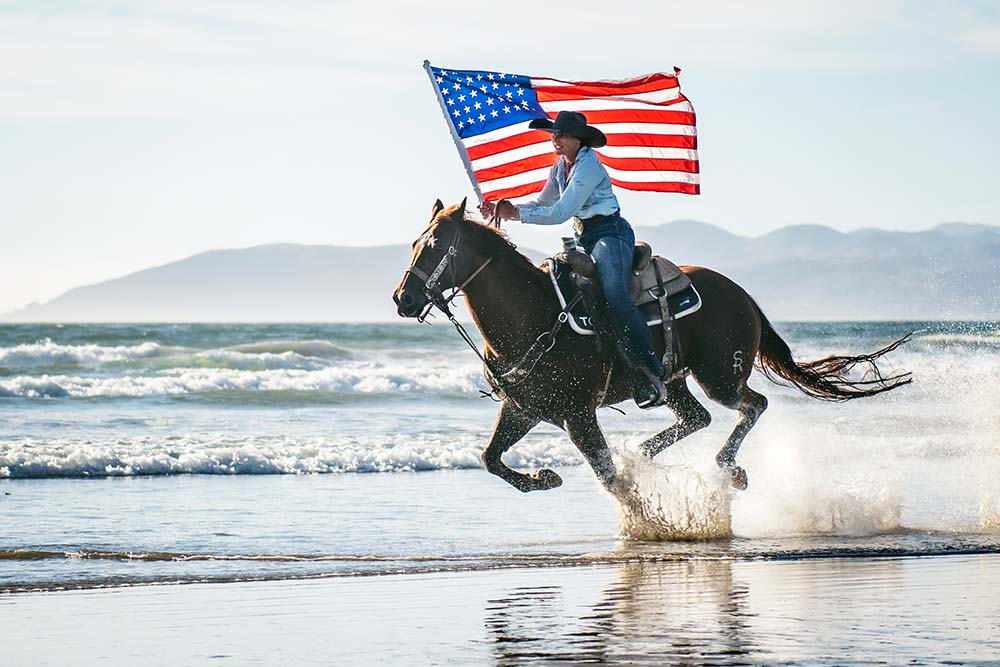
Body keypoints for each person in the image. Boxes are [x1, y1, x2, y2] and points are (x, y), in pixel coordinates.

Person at [479, 110, 665, 408]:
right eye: (554, 135)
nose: (556, 140)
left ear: (578, 140)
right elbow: (543, 202)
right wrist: (506, 209)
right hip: (582, 238)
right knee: (556, 287)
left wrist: (515, 214)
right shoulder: (559, 167)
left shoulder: (589, 166)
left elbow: (559, 213)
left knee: (616, 294)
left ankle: (651, 372)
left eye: (562, 135)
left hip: (610, 234)